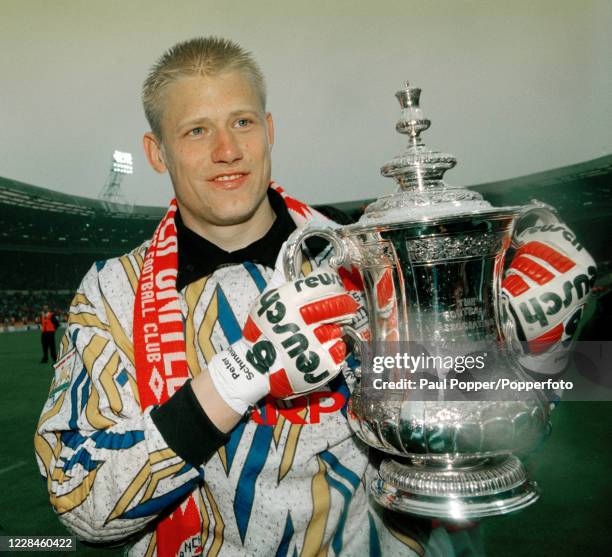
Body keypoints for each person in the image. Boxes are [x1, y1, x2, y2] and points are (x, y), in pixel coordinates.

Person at [35, 37, 594, 557]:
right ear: (156, 153)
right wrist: (239, 374)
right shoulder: (111, 291)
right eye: (196, 131)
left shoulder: (368, 257)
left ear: (269, 128)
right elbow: (81, 504)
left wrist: (540, 354)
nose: (228, 150)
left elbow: (466, 437)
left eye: (242, 122)